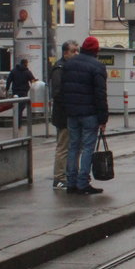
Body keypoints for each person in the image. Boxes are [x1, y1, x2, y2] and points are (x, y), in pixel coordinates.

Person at [60, 36, 108, 195]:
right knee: (88, 147)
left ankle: (71, 182)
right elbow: (100, 94)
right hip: (90, 114)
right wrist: (103, 119)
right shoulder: (97, 66)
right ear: (96, 50)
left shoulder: (69, 64)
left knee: (73, 146)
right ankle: (83, 182)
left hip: (72, 113)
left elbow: (63, 90)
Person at [49, 40, 79, 189]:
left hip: (72, 114)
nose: (76, 54)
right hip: (63, 115)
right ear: (66, 52)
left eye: (77, 51)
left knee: (73, 146)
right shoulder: (59, 68)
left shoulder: (70, 68)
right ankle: (59, 178)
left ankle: (70, 174)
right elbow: (57, 92)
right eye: (74, 51)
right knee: (63, 147)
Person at [5, 58, 36, 124]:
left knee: (16, 106)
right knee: (21, 107)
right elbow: (32, 80)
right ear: (26, 63)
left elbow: (9, 80)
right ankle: (18, 123)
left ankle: (16, 122)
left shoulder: (13, 71)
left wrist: (7, 89)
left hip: (15, 91)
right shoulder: (27, 72)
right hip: (23, 92)